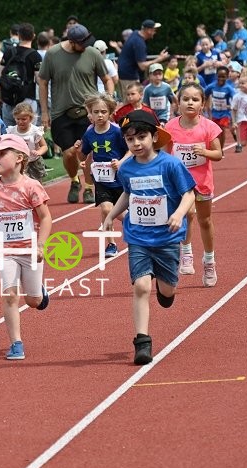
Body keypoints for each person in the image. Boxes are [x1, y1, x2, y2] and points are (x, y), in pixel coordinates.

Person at [103, 110, 196, 365]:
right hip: (138, 236)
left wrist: (178, 214)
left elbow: (189, 194)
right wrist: (111, 215)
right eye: (130, 139)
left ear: (154, 137)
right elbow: (127, 194)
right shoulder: (127, 168)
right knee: (141, 286)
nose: (136, 143)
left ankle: (165, 288)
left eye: (141, 137)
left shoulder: (170, 164)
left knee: (167, 291)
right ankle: (142, 342)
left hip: (166, 237)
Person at [0, 134, 51, 360]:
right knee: (9, 296)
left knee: (33, 301)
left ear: (20, 158)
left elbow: (46, 218)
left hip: (29, 250)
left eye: (1, 154)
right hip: (5, 251)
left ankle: (40, 291)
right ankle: (16, 343)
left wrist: (40, 245)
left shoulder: (31, 186)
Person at [38, 24, 113, 204]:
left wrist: (109, 102)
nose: (86, 45)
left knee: (86, 153)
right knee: (70, 153)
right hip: (61, 112)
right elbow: (42, 82)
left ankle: (88, 187)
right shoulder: (53, 54)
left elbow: (107, 79)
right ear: (71, 42)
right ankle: (74, 180)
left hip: (87, 113)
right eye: (82, 43)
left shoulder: (93, 54)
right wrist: (45, 112)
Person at [164, 83, 224, 287]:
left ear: (202, 104)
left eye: (195, 99)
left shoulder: (209, 127)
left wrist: (205, 152)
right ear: (178, 103)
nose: (190, 102)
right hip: (180, 183)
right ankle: (186, 252)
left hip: (202, 182)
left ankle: (209, 261)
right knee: (186, 215)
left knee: (204, 221)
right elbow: (164, 154)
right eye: (185, 99)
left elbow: (219, 154)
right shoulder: (170, 126)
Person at [78, 94, 128, 257]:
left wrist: (120, 162)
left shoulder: (117, 132)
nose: (100, 115)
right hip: (101, 179)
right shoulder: (89, 134)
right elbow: (83, 156)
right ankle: (111, 244)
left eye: (103, 112)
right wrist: (79, 150)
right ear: (90, 114)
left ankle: (137, 227)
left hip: (120, 178)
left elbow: (130, 150)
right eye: (96, 112)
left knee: (122, 214)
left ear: (110, 113)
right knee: (106, 209)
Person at [117, 20, 170, 88]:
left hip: (122, 73)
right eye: (154, 30)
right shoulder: (139, 43)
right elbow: (142, 66)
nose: (155, 32)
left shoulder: (135, 33)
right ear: (148, 30)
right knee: (133, 97)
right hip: (129, 76)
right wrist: (159, 59)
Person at [7, 102, 48, 182]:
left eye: (23, 119)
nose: (20, 122)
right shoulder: (12, 131)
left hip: (34, 161)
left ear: (31, 118)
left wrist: (38, 152)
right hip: (19, 162)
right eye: (18, 119)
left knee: (37, 183)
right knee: (20, 182)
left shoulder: (35, 131)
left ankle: (38, 194)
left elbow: (44, 146)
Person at [204, 66, 236, 152]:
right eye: (219, 76)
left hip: (225, 113)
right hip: (215, 113)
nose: (221, 78)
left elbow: (235, 99)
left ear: (227, 77)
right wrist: (204, 105)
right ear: (216, 76)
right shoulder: (211, 86)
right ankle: (217, 147)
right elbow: (204, 95)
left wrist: (232, 106)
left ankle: (221, 149)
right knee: (215, 132)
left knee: (221, 130)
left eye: (223, 76)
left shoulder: (229, 88)